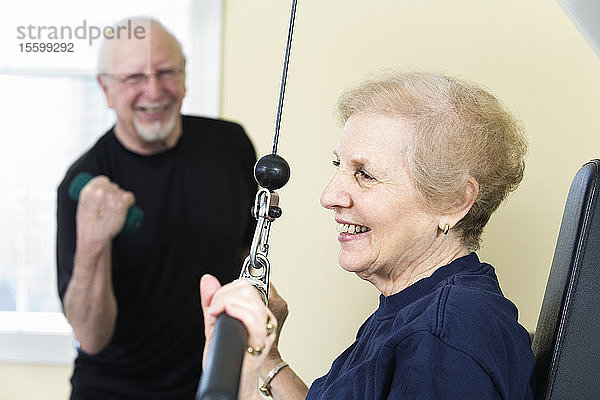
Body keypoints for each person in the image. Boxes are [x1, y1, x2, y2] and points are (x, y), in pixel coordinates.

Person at [200, 71, 536, 399]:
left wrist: (242, 388)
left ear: (453, 201)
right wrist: (265, 360)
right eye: (339, 166)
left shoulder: (445, 337)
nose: (330, 196)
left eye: (365, 175)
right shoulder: (415, 308)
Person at [56, 18, 257, 399]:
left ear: (184, 78)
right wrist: (94, 241)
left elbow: (248, 260)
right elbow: (92, 338)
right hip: (113, 389)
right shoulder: (82, 184)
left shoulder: (230, 145)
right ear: (106, 88)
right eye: (134, 77)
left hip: (212, 382)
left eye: (166, 72)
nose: (154, 90)